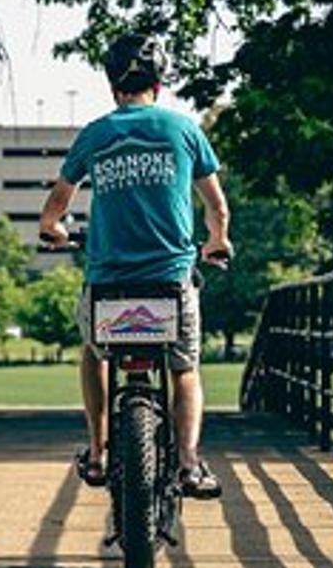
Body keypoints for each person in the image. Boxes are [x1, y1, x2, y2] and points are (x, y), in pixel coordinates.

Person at [37, 32, 232, 499]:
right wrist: (218, 242)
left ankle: (98, 451)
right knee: (184, 369)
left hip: (109, 281)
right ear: (159, 85)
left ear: (111, 87)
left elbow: (55, 210)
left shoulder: (97, 133)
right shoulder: (183, 130)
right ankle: (188, 463)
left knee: (94, 352)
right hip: (170, 279)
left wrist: (54, 231)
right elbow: (217, 209)